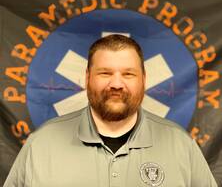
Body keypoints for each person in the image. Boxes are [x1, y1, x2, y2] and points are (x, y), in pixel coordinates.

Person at [4, 34, 217, 187]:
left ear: (144, 80)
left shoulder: (181, 146)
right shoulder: (41, 145)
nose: (116, 84)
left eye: (128, 74)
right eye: (105, 73)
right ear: (87, 78)